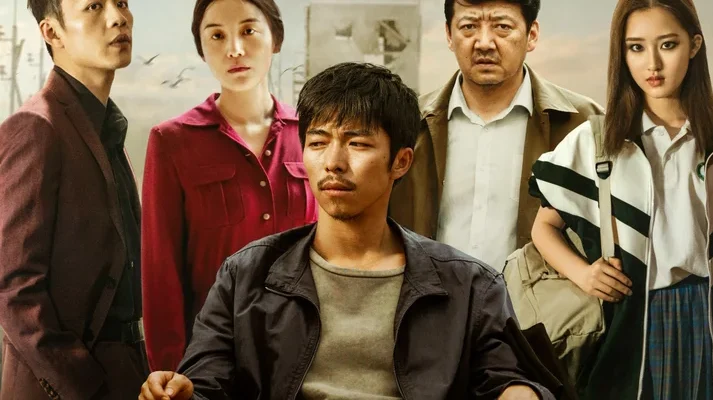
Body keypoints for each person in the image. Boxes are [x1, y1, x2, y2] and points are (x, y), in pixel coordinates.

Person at [138, 62, 555, 400]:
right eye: (318, 143)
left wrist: (520, 392)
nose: (333, 162)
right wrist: (180, 392)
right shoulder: (246, 276)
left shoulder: (469, 286)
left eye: (357, 144)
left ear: (401, 162)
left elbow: (507, 378)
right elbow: (206, 382)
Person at [529, 0, 713, 398]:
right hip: (633, 320)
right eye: (636, 48)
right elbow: (543, 227)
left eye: (668, 45)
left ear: (694, 45)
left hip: (705, 311)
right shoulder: (597, 139)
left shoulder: (708, 136)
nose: (653, 64)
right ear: (622, 53)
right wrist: (583, 274)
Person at [141, 0, 317, 372]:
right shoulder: (172, 141)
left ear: (276, 39)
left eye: (248, 31)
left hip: (305, 356)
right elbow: (160, 271)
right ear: (201, 50)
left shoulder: (312, 135)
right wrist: (170, 372)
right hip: (213, 360)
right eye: (217, 36)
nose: (234, 49)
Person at [0, 0, 147, 399]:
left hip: (127, 375)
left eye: (121, 2)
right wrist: (82, 385)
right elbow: (13, 287)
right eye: (94, 6)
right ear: (52, 32)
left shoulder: (105, 126)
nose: (118, 17)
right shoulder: (35, 126)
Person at [390, 0, 603, 272]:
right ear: (448, 35)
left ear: (532, 35)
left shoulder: (585, 123)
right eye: (469, 26)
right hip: (427, 294)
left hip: (538, 298)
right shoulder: (407, 123)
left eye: (502, 27)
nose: (484, 43)